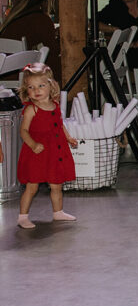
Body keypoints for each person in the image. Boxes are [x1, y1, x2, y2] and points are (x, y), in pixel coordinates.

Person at [15, 63, 79, 230]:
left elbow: (59, 124)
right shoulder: (31, 110)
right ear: (26, 90)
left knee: (56, 184)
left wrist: (68, 138)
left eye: (41, 86)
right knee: (32, 185)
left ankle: (58, 212)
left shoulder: (55, 105)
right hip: (37, 153)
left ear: (51, 85)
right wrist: (33, 144)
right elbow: (23, 131)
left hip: (54, 151)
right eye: (31, 87)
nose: (36, 90)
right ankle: (23, 217)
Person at [0, 0, 62, 78]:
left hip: (2, 70)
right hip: (17, 72)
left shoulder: (17, 12)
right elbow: (52, 51)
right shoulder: (41, 19)